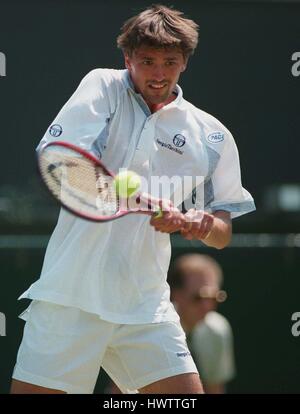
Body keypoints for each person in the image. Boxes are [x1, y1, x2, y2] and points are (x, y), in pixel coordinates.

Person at [10, 5, 255, 394]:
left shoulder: (212, 136)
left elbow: (223, 233)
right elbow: (60, 163)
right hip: (71, 297)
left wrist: (199, 224)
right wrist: (132, 199)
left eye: (170, 62)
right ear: (128, 59)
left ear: (185, 63)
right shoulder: (103, 87)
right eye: (147, 61)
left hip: (146, 307)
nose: (158, 74)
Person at [168, 253, 236, 394]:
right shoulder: (154, 329)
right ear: (175, 294)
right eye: (198, 297)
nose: (206, 306)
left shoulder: (217, 330)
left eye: (214, 297)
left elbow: (215, 389)